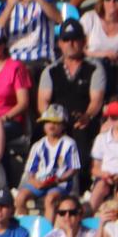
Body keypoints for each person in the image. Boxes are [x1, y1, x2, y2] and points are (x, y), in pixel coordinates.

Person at [38, 19, 105, 162]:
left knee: (81, 132)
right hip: (57, 120)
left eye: (75, 38)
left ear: (84, 41)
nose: (70, 43)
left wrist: (87, 115)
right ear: (59, 43)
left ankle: (81, 180)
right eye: (66, 39)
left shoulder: (94, 68)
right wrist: (53, 122)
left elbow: (96, 101)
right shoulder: (51, 70)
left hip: (82, 120)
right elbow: (42, 102)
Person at [14, 104, 80, 215]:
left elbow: (74, 169)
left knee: (50, 199)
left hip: (60, 184)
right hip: (40, 181)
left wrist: (59, 179)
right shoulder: (38, 145)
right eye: (48, 122)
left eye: (56, 122)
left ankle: (49, 230)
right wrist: (35, 182)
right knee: (20, 197)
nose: (51, 125)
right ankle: (24, 226)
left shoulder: (69, 144)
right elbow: (31, 170)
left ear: (63, 125)